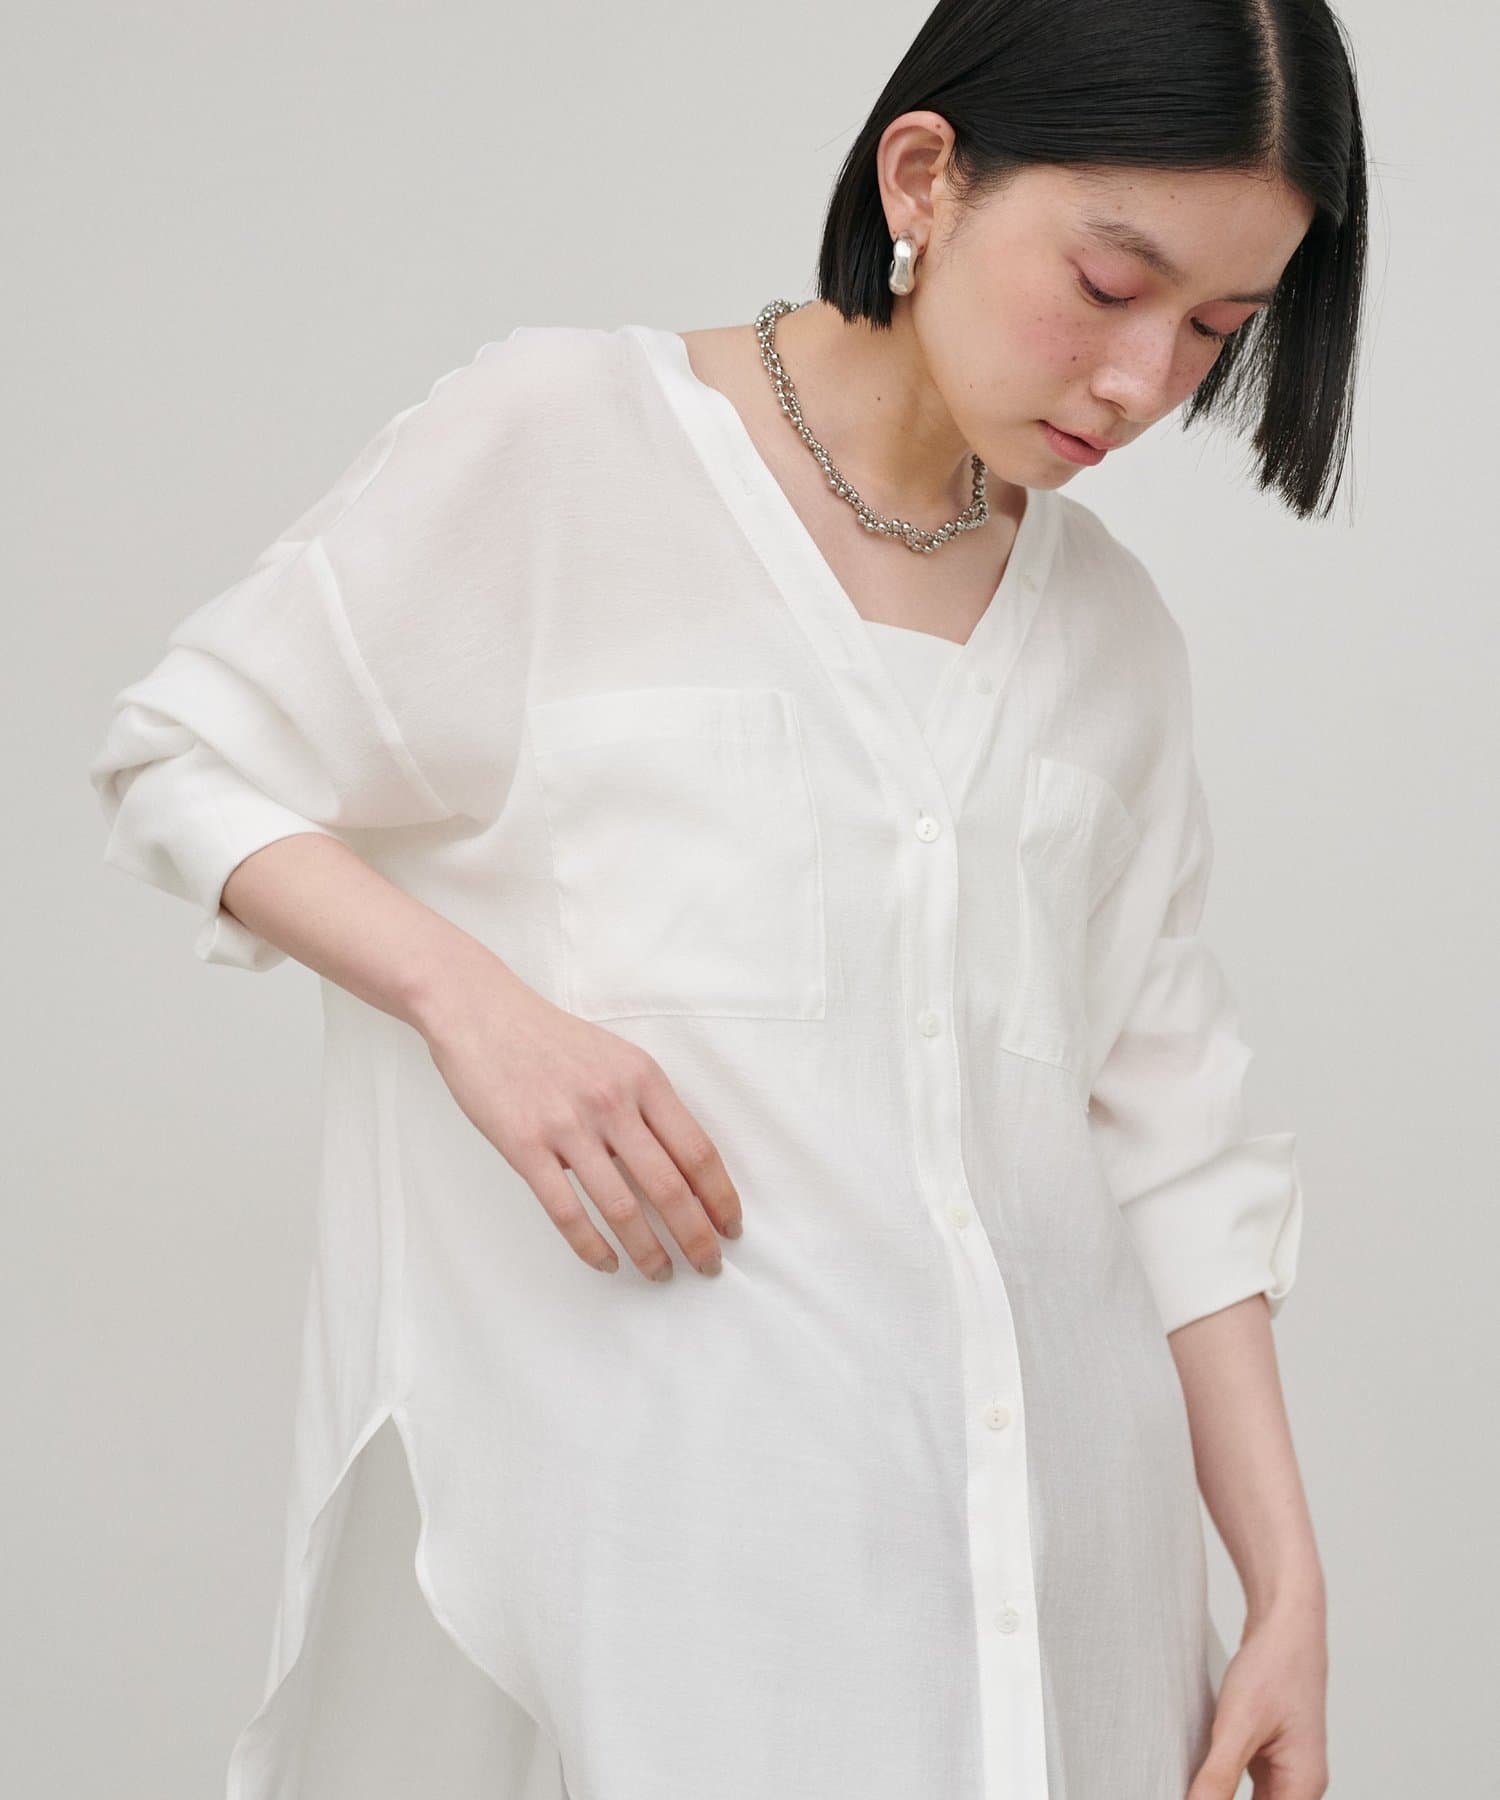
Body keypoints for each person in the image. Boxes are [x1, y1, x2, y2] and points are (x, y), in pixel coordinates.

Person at [88, 0, 1366, 1795]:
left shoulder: (1113, 639)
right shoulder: (569, 443)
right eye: (1109, 284)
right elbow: (187, 756)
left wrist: (1286, 1589)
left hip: (1066, 1590)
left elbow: (1171, 1142)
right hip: (687, 1587)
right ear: (924, 178)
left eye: (1219, 330)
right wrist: (475, 1007)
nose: (1144, 381)